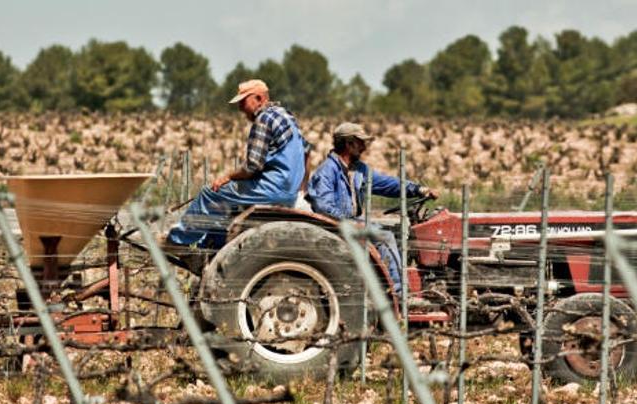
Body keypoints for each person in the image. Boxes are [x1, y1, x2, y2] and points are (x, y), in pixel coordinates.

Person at [166, 79, 307, 249]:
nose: (240, 108)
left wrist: (227, 176)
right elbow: (306, 150)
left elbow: (252, 167)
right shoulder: (287, 116)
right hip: (289, 192)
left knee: (211, 193)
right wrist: (300, 187)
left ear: (259, 98)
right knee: (228, 205)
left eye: (243, 102)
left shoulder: (263, 119)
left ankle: (178, 240)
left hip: (272, 189)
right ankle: (212, 245)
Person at [307, 122, 437, 293]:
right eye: (360, 142)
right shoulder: (327, 171)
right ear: (348, 143)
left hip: (350, 223)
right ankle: (399, 293)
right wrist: (350, 222)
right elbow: (323, 206)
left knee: (394, 233)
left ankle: (391, 284)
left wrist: (417, 189)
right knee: (385, 237)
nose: (364, 147)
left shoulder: (358, 170)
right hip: (334, 227)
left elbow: (387, 184)